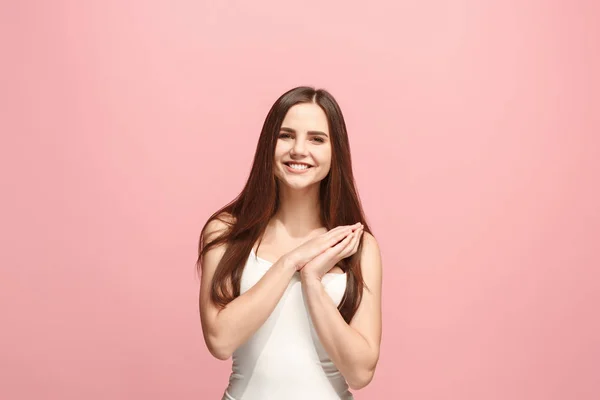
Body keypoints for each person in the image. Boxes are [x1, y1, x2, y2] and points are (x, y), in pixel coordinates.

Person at [197, 86, 382, 400]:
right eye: (285, 135)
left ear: (335, 152)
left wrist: (312, 280)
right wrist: (290, 262)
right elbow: (220, 340)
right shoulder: (226, 232)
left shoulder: (358, 247)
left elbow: (361, 372)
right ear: (268, 144)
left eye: (316, 139)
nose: (299, 150)